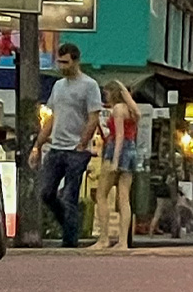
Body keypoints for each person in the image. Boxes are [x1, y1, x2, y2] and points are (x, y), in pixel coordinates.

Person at [35, 43, 102, 248]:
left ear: (76, 61)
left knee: (70, 195)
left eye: (65, 62)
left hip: (75, 150)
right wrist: (38, 145)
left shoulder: (89, 85)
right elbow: (52, 117)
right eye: (59, 62)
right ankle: (69, 225)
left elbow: (93, 117)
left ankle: (69, 240)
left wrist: (82, 143)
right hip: (56, 147)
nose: (62, 66)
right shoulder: (58, 86)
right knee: (47, 192)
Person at [88, 80, 139, 250]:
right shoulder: (132, 111)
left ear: (114, 93)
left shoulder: (118, 109)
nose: (105, 96)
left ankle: (104, 238)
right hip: (131, 150)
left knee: (102, 195)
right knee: (124, 198)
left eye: (107, 92)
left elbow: (119, 136)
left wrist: (115, 160)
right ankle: (123, 241)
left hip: (116, 150)